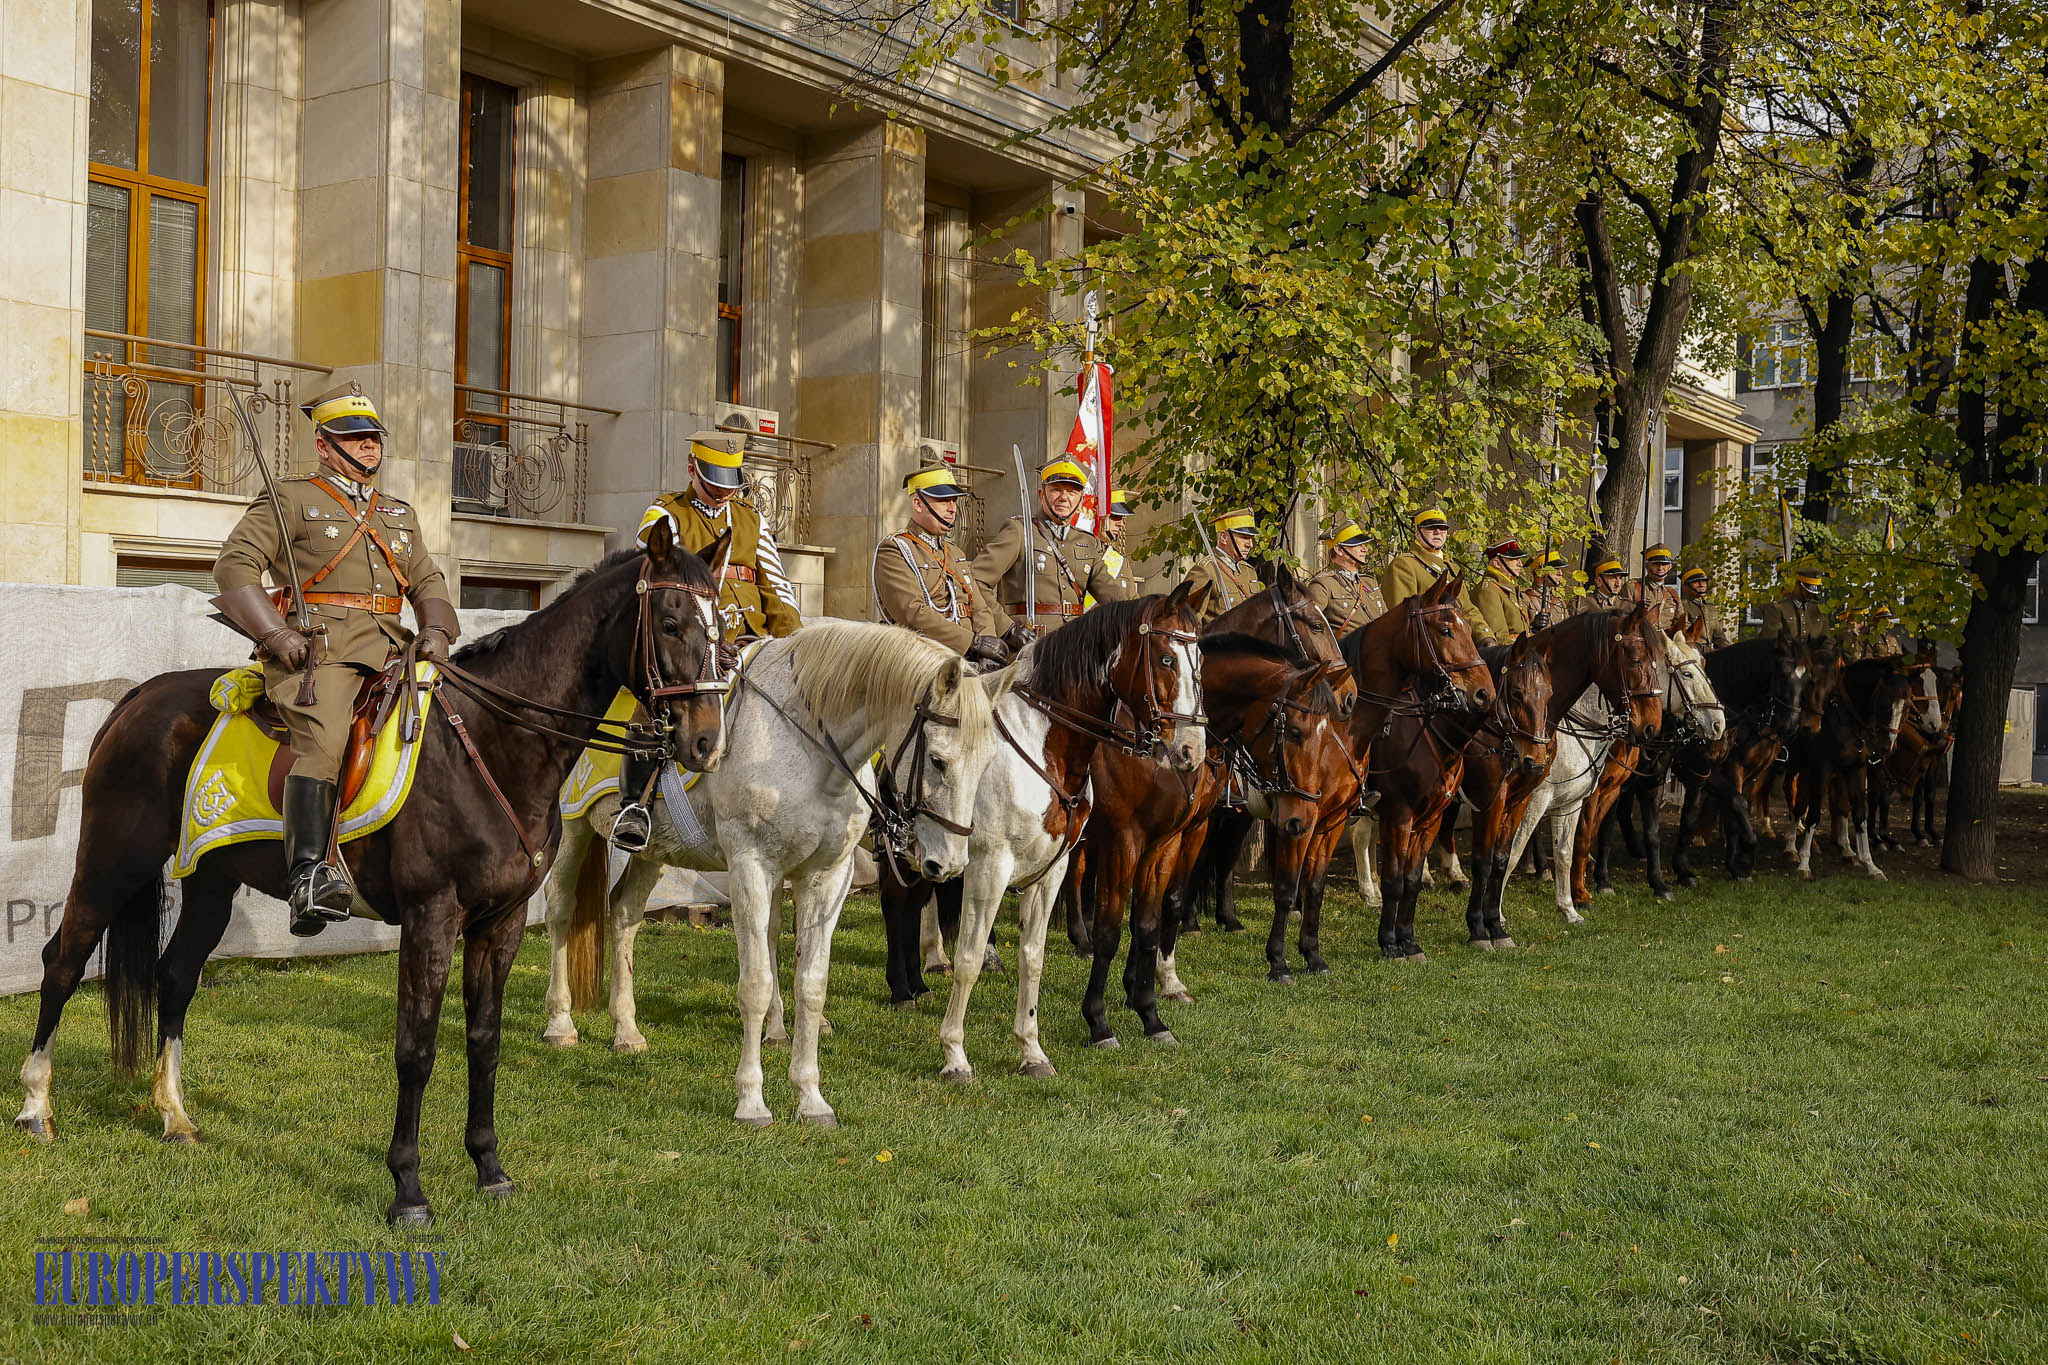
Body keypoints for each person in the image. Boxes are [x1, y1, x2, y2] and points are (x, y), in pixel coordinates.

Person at [212, 385, 458, 937]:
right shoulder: (291, 498)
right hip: (319, 651)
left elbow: (426, 578)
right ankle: (308, 876)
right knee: (325, 740)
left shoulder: (397, 511)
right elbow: (234, 566)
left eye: (374, 436)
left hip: (396, 647)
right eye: (355, 437)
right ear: (324, 446)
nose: (369, 446)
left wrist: (438, 628)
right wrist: (275, 635)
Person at [609, 430, 804, 851]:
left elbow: (777, 589)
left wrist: (797, 646)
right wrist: (709, 646)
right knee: (653, 704)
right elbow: (667, 579)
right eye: (713, 480)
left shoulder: (751, 520)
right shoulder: (666, 513)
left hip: (754, 642)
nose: (721, 493)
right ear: (692, 469)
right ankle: (634, 807)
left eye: (729, 483)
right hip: (691, 647)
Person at [973, 458, 1126, 634]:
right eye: (1056, 490)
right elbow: (976, 580)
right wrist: (1007, 629)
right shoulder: (1019, 532)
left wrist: (1140, 613)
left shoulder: (1087, 542)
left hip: (1073, 644)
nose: (1064, 498)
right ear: (1041, 494)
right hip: (1029, 646)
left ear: (1081, 500)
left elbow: (1112, 594)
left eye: (1071, 492)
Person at [873, 466, 1008, 665]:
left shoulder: (955, 553)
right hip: (922, 656)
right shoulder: (895, 549)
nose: (952, 508)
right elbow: (912, 613)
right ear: (918, 504)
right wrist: (972, 643)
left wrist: (987, 647)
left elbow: (979, 607)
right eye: (943, 500)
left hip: (968, 656)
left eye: (953, 500)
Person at [1382, 507, 1493, 642]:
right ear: (1417, 533)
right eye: (1431, 528)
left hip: (1458, 643)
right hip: (1428, 646)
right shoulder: (1405, 564)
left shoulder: (1453, 569)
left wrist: (1486, 637)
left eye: (1442, 528)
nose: (1437, 532)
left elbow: (1468, 610)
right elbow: (1404, 616)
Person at [1183, 507, 1264, 628]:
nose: (1250, 544)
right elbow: (1188, 621)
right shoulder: (1206, 569)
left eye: (1251, 538)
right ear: (1224, 538)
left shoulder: (1249, 571)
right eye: (1244, 537)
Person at [1307, 522, 1385, 637]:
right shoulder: (1324, 584)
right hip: (1348, 653)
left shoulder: (1370, 582)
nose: (1365, 549)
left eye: (1363, 545)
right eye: (1358, 545)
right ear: (1339, 550)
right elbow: (1306, 625)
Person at [1087, 489, 1141, 606]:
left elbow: (1133, 601)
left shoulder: (1120, 561)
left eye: (1121, 518)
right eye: (1115, 516)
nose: (1120, 523)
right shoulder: (1080, 552)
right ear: (1099, 516)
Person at [1471, 538, 1532, 641]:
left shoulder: (1508, 587)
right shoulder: (1488, 590)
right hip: (1507, 654)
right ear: (1497, 563)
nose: (1520, 564)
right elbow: (1499, 638)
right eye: (1514, 559)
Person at [1757, 560, 1831, 644]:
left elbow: (1827, 640)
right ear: (1797, 585)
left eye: (1813, 592)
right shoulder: (1777, 608)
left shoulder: (1818, 609)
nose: (1811, 594)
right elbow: (1770, 642)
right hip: (1786, 655)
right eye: (1807, 590)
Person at [1625, 543, 1682, 630]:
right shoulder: (1634, 588)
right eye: (1656, 564)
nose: (1660, 568)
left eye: (1664, 564)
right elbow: (1622, 619)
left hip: (1666, 641)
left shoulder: (1672, 594)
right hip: (1641, 640)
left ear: (1670, 566)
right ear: (1647, 565)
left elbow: (1680, 623)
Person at [1679, 566, 1735, 646]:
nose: (1701, 585)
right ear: (1685, 587)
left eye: (1704, 582)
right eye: (1695, 582)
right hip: (1694, 651)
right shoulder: (1681, 606)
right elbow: (1686, 638)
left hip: (1711, 652)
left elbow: (1719, 637)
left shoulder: (1710, 607)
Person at [1523, 550, 1568, 631]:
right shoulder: (1524, 598)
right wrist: (1533, 626)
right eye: (1555, 569)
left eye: (1560, 569)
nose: (1560, 573)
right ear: (1538, 572)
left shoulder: (1559, 601)